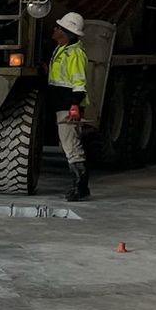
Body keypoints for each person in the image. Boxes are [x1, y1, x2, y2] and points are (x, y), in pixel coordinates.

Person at [49, 11, 91, 202]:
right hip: (62, 104)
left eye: (57, 27)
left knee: (71, 146)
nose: (54, 29)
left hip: (68, 106)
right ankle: (80, 186)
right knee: (68, 143)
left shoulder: (74, 54)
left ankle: (81, 187)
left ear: (65, 32)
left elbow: (79, 83)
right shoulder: (63, 49)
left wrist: (74, 106)